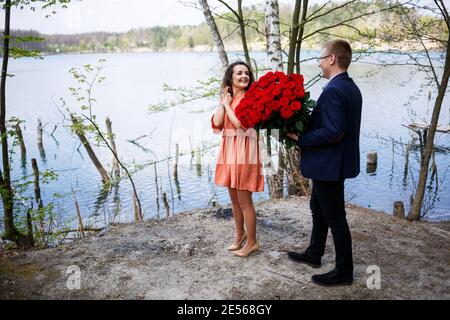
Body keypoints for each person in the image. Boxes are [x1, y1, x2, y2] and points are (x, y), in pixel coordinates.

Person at [286, 39, 362, 286]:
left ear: (331, 59)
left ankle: (344, 271)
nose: (318, 63)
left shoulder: (335, 90)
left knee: (335, 218)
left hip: (330, 165)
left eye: (320, 58)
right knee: (318, 210)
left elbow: (334, 132)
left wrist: (302, 138)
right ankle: (314, 253)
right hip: (330, 164)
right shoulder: (349, 87)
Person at [211, 61, 264, 258]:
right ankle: (239, 235)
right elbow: (217, 123)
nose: (244, 76)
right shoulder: (229, 99)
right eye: (239, 73)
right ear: (230, 78)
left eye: (246, 73)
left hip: (245, 149)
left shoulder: (251, 98)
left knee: (244, 200)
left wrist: (227, 106)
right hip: (229, 149)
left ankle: (252, 242)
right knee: (234, 199)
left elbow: (242, 124)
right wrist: (223, 101)